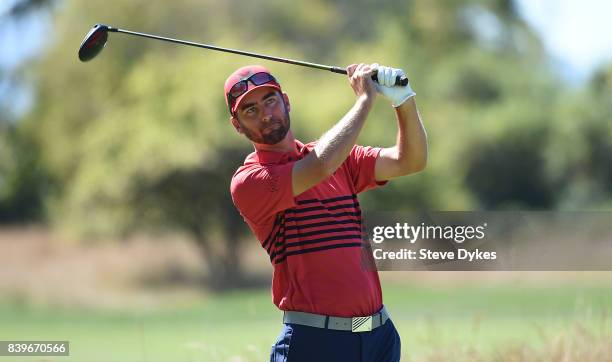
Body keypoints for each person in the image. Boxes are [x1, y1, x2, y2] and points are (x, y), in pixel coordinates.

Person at [226, 62, 427, 362]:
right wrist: (364, 99)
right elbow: (318, 166)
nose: (266, 115)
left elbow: (410, 160)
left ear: (287, 102)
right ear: (238, 125)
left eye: (270, 101)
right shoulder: (249, 181)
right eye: (250, 111)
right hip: (315, 343)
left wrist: (403, 99)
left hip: (378, 336)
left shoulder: (340, 159)